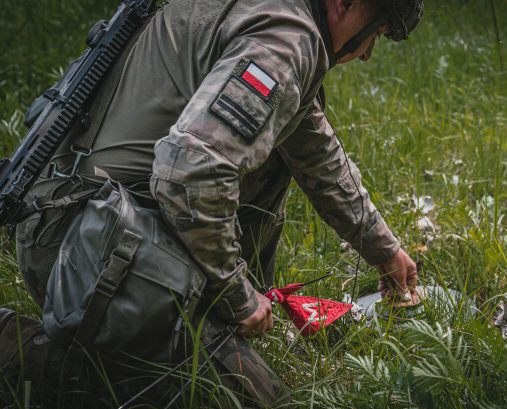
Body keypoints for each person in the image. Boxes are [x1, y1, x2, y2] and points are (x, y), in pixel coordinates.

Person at [3, 0, 423, 405]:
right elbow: (193, 170)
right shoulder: (287, 38)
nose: (366, 54)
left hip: (84, 217)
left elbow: (316, 153)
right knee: (235, 400)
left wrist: (385, 250)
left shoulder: (275, 15)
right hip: (84, 248)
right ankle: (14, 347)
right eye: (376, 34)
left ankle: (208, 323)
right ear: (345, 4)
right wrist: (236, 294)